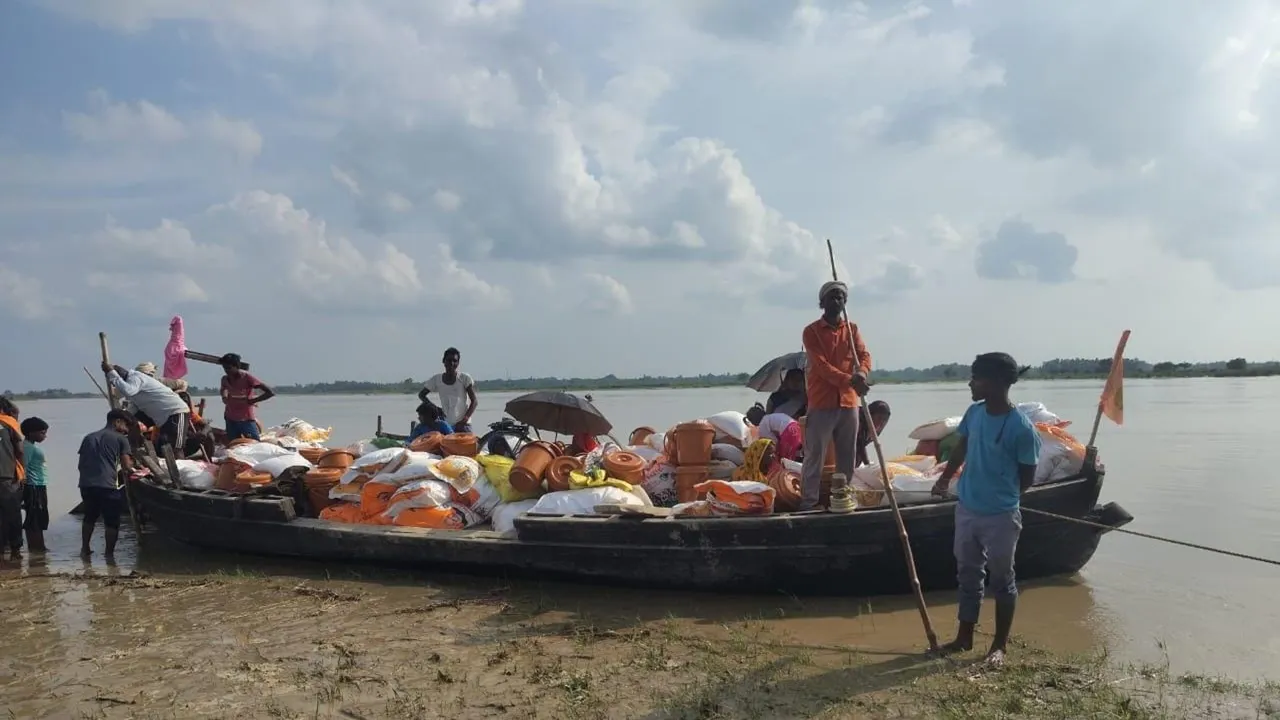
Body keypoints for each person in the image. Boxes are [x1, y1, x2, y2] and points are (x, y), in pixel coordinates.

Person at [930, 353, 1040, 667]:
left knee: (1002, 580)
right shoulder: (974, 413)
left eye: (976, 377)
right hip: (967, 509)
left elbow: (1027, 477)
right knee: (967, 575)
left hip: (1001, 516)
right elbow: (963, 445)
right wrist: (945, 478)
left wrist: (1003, 501)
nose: (970, 382)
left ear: (994, 383)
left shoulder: (1021, 428)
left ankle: (999, 646)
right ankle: (964, 637)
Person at [798, 281, 872, 511]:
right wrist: (851, 380)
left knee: (847, 456)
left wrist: (861, 373)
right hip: (822, 402)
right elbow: (821, 366)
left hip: (849, 402)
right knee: (815, 456)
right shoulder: (811, 332)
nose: (836, 301)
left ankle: (842, 499)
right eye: (831, 297)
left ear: (845, 302)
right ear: (822, 303)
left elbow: (864, 355)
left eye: (840, 297)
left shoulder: (852, 330)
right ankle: (808, 503)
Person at [78, 409, 135, 559]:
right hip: (108, 486)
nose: (127, 429)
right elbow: (127, 467)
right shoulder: (121, 439)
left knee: (89, 517)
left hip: (86, 484)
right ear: (117, 422)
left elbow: (81, 464)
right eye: (126, 425)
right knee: (112, 521)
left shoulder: (89, 437)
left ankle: (85, 549)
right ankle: (109, 554)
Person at [104, 361, 190, 454]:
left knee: (175, 448)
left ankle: (179, 465)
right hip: (162, 418)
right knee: (163, 448)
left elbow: (127, 390)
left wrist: (111, 373)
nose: (116, 385)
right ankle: (134, 447)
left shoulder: (136, 377)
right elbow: (130, 412)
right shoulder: (135, 391)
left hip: (175, 412)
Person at [418, 347, 478, 432]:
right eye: (449, 360)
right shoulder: (436, 379)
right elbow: (421, 395)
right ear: (443, 361)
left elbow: (474, 401)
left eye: (455, 361)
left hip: (464, 425)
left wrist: (465, 419)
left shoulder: (464, 378)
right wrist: (435, 409)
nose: (452, 363)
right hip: (446, 425)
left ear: (458, 363)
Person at [220, 353, 275, 441]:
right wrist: (224, 397)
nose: (226, 371)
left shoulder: (247, 378)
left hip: (246, 419)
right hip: (230, 418)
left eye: (229, 368)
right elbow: (223, 389)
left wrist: (252, 401)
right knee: (234, 444)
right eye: (224, 368)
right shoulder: (225, 379)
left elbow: (270, 392)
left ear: (236, 366)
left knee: (254, 443)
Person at [0, 397, 25, 560]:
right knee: (13, 513)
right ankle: (15, 549)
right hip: (7, 477)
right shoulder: (9, 423)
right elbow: (20, 450)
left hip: (6, 476)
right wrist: (23, 472)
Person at [20, 417, 49, 552]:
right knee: (34, 518)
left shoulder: (30, 446)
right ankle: (36, 547)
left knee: (39, 516)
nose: (45, 436)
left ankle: (39, 547)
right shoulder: (27, 447)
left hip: (39, 485)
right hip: (33, 486)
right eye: (42, 433)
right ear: (31, 432)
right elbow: (23, 467)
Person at [855, 400, 892, 466]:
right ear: (871, 415)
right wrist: (867, 463)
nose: (881, 422)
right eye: (879, 418)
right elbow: (859, 444)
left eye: (884, 419)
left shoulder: (879, 426)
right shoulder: (858, 419)